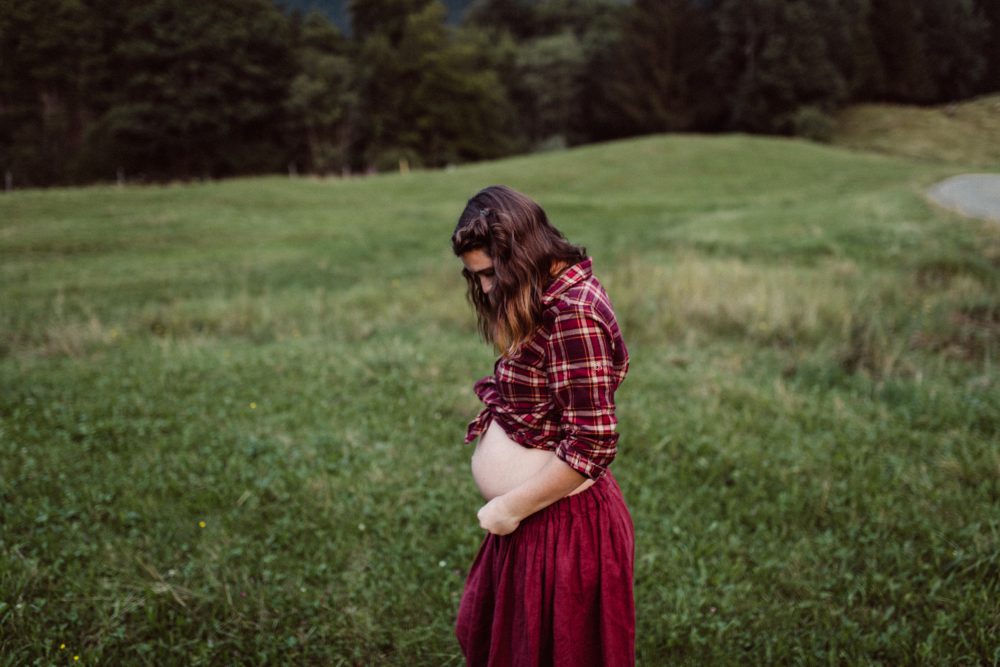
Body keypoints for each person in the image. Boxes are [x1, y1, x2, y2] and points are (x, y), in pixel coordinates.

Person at [451, 185, 635, 666]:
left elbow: (592, 445)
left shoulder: (574, 314)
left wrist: (509, 507)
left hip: (562, 528)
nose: (487, 288)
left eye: (492, 274)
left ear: (522, 253)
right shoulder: (544, 300)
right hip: (537, 520)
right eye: (477, 277)